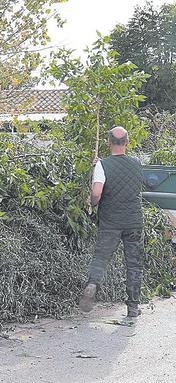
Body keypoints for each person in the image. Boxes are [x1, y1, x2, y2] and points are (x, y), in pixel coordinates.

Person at [80, 126, 145, 317]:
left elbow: (96, 193)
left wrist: (92, 203)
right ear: (127, 143)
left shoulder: (102, 166)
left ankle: (92, 285)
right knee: (134, 264)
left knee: (101, 257)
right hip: (134, 222)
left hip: (110, 222)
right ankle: (133, 308)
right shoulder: (137, 163)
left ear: (108, 142)